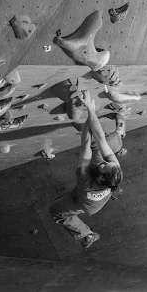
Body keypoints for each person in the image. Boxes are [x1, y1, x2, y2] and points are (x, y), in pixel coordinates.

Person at [49, 90, 124, 248]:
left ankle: (86, 234)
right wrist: (90, 109)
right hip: (99, 194)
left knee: (56, 211)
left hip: (83, 204)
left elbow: (85, 145)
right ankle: (118, 135)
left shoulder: (85, 180)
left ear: (101, 177)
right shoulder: (115, 170)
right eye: (107, 162)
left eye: (103, 165)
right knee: (101, 144)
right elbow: (100, 139)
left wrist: (88, 119)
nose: (104, 162)